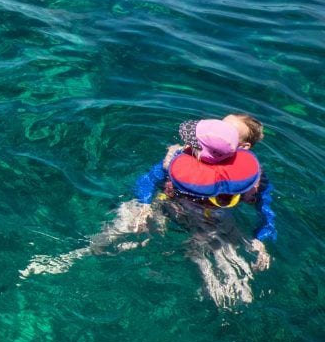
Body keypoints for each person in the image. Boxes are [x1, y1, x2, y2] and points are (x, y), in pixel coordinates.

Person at [21, 114, 277, 306]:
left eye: (227, 131)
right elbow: (148, 180)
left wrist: (261, 240)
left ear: (242, 147)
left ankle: (226, 302)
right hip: (165, 203)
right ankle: (78, 254)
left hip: (211, 220)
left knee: (217, 264)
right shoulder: (179, 157)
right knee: (123, 226)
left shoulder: (250, 178)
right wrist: (143, 204)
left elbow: (265, 211)